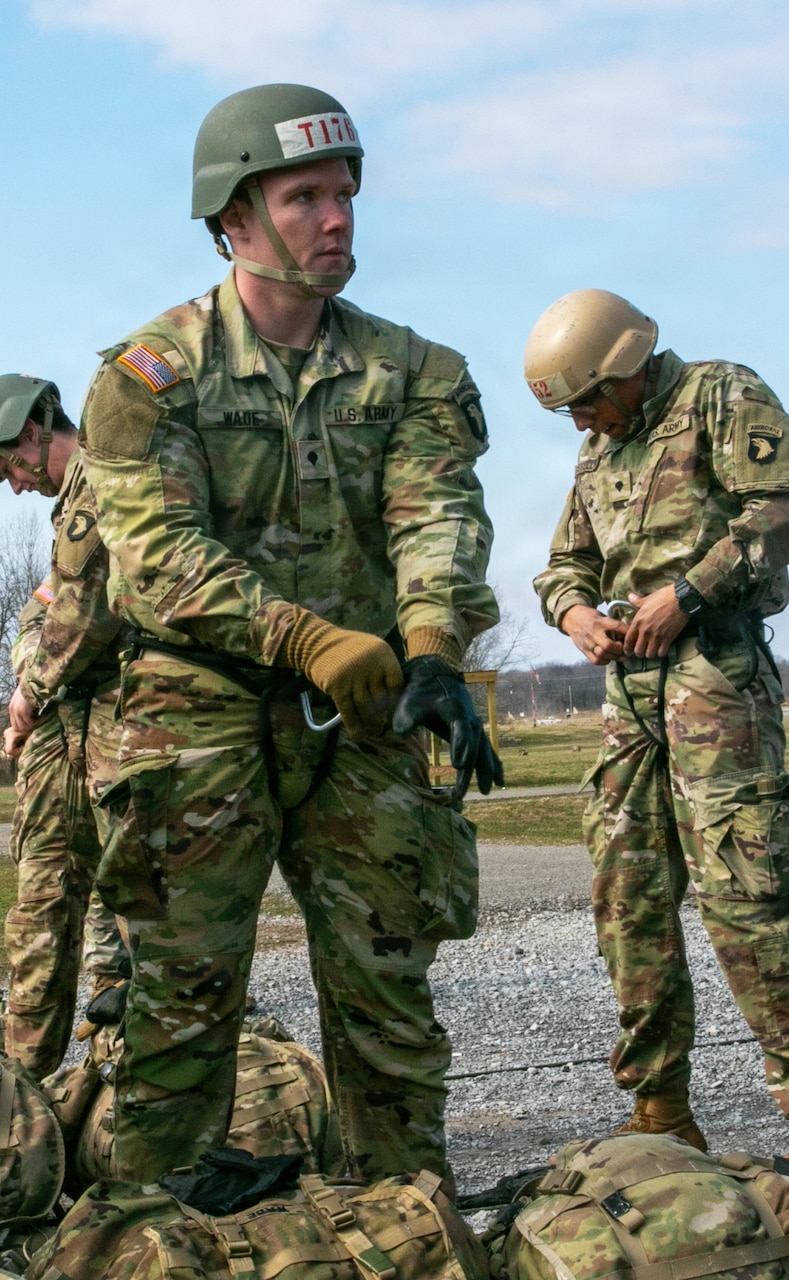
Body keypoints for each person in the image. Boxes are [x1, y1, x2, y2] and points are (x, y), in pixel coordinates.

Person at [79, 83, 501, 1187]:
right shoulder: (147, 376)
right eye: (304, 194)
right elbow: (156, 553)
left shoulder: (417, 371)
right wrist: (303, 636)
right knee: (182, 997)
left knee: (387, 988)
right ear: (234, 216)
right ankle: (143, 1229)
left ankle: (407, 1218)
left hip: (365, 707)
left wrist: (429, 644)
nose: (337, 217)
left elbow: (436, 512)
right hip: (199, 708)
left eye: (346, 193)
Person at [526, 288, 789, 1202]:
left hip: (713, 677)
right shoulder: (597, 453)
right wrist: (577, 613)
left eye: (587, 402)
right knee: (626, 895)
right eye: (571, 412)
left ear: (625, 368)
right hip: (626, 693)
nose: (581, 423)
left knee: (743, 893)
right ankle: (660, 1110)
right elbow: (561, 566)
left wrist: (690, 594)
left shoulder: (718, 396)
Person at [0, 374, 128, 1079]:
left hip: (134, 726)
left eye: (8, 469)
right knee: (43, 904)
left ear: (30, 433)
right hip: (69, 730)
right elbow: (40, 609)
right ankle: (26, 1112)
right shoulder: (69, 512)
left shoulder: (109, 478)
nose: (15, 487)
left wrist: (32, 690)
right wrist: (29, 675)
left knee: (149, 914)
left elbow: (86, 612)